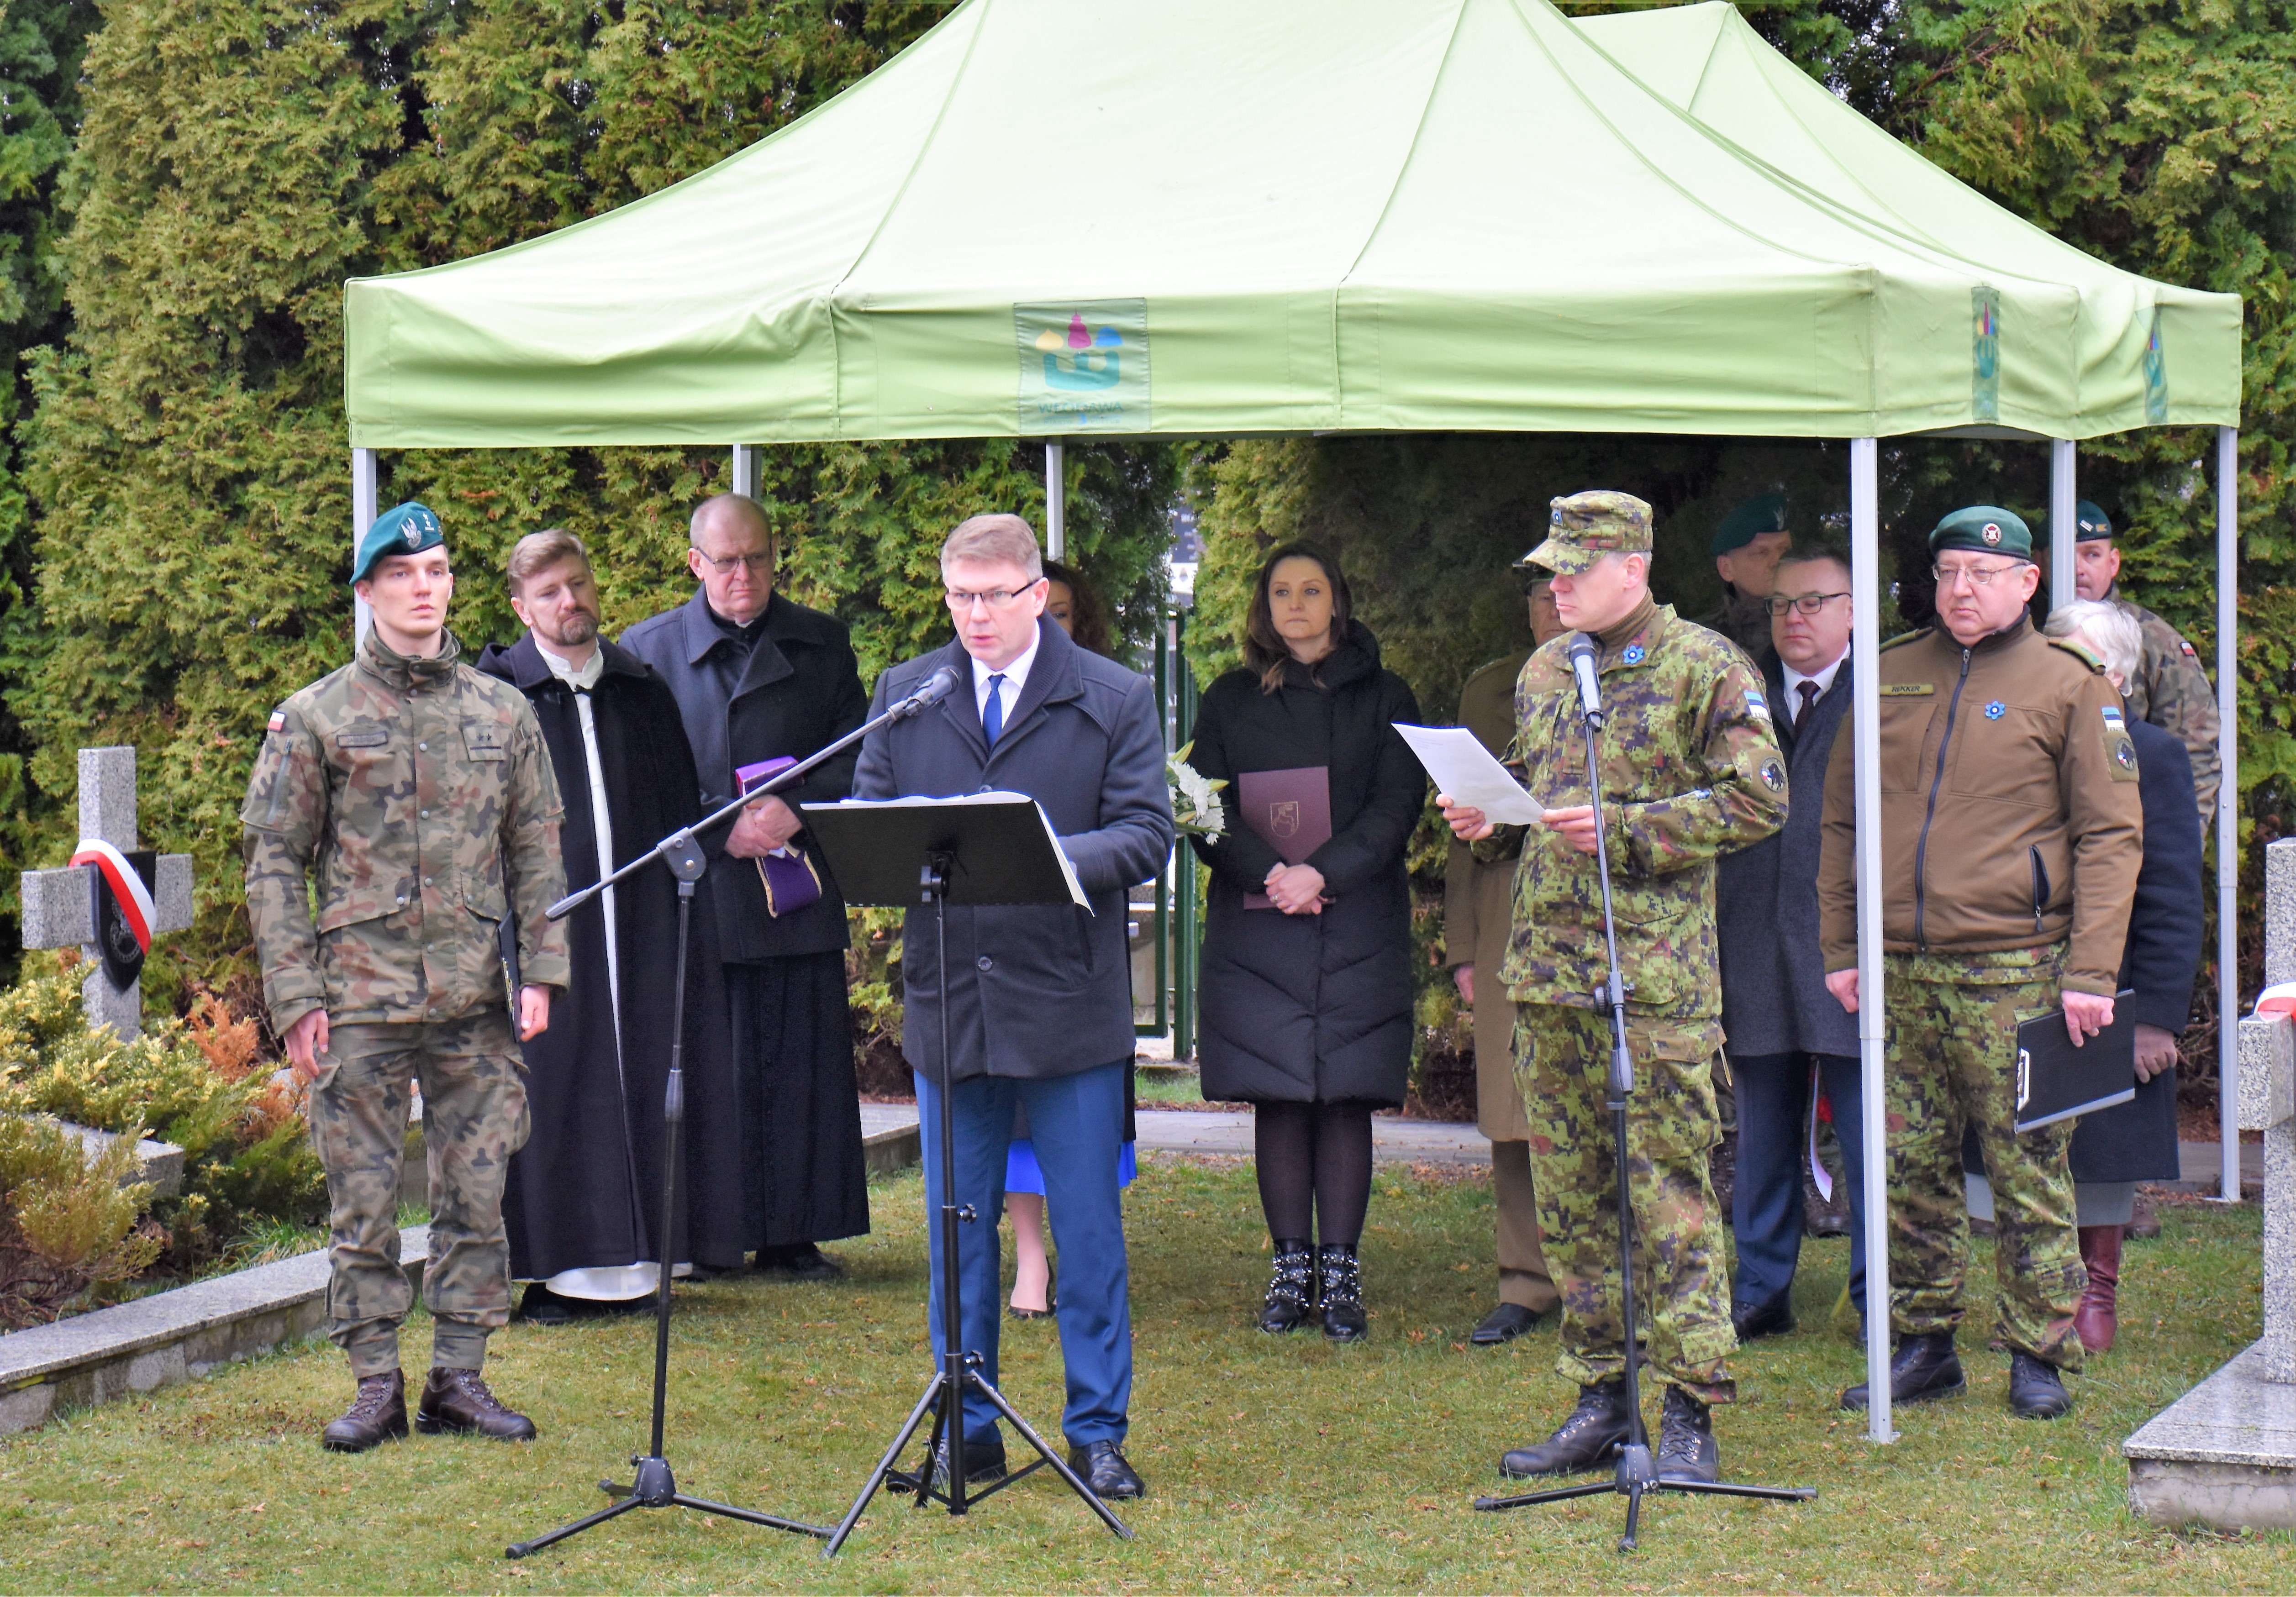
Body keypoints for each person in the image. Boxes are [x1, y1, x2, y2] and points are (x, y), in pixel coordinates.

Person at [1442, 490, 1787, 1487]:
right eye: (1551, 570)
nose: (1558, 586)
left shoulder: (1708, 665)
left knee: (1669, 1197)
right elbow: (1535, 785)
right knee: (1574, 1201)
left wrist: (1633, 830)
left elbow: (1763, 796)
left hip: (1655, 981)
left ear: (1633, 568)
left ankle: (1691, 1412)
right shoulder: (1551, 668)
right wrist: (1489, 816)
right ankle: (1601, 1397)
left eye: (1575, 569)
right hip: (1550, 977)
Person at [853, 512, 1171, 1500]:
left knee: (1086, 1229)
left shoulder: (1111, 694)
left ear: (1038, 594)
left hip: (1068, 1000)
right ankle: (970, 1424)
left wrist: (1046, 859)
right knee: (958, 1227)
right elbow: (870, 816)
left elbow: (1147, 832)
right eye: (959, 596)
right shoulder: (910, 693)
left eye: (994, 596)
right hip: (953, 1003)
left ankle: (1097, 1430)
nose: (976, 616)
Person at [241, 501, 569, 1452]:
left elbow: (539, 852)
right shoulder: (316, 716)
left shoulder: (502, 711)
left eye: (438, 571)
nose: (424, 589)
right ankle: (375, 1383)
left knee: (478, 1192)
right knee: (364, 1199)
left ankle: (460, 1379)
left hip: (473, 1000)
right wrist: (297, 999)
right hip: (359, 1004)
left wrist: (542, 969)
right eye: (403, 575)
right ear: (369, 591)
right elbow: (274, 863)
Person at [1818, 505, 2143, 1421]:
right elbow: (1843, 823)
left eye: (1984, 575)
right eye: (1950, 572)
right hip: (1899, 971)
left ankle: (2039, 1350)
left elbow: (2113, 834)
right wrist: (1844, 949)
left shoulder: (2070, 685)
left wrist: (2090, 972)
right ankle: (1924, 1344)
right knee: (1905, 1162)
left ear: (2029, 583)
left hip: (2019, 968)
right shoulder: (1887, 678)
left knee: (2029, 1165)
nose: (1963, 590)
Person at [477, 531, 748, 1322]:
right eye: (551, 592)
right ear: (522, 608)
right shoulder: (499, 696)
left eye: (579, 583)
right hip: (544, 926)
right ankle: (559, 1269)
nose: (571, 601)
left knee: (645, 1065)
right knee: (559, 1077)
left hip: (643, 923)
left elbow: (677, 809)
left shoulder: (639, 687)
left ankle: (651, 1256)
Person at [623, 493, 872, 1278]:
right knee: (707, 1062)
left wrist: (793, 811)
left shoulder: (823, 643)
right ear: (695, 563)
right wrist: (713, 826)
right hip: (697, 889)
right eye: (725, 561)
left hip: (790, 884)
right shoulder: (648, 649)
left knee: (799, 1059)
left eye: (757, 558)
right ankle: (705, 1234)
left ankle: (795, 1231)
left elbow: (859, 752)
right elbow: (636, 775)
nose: (743, 575)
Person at [1191, 542, 1425, 1344]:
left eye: (1311, 589)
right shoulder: (1226, 699)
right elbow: (1203, 807)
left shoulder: (1387, 696)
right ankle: (1291, 1268)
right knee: (1282, 1096)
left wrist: (1320, 873)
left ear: (1338, 601)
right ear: (1263, 606)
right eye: (1281, 591)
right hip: (1261, 923)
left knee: (1346, 1094)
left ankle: (1343, 1266)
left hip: (1354, 917)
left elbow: (1397, 808)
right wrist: (1273, 871)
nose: (1295, 603)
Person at [1716, 545, 1868, 1343]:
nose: (1794, 619)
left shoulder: (1881, 695)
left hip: (1845, 949)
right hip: (1752, 941)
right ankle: (1760, 1288)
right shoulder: (1738, 696)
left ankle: (1878, 1298)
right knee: (1762, 1135)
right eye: (1780, 605)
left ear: (1852, 609)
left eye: (1813, 602)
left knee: (1863, 1135)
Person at [2042, 599, 2203, 1352]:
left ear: (2118, 673)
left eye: (2082, 663)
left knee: (2103, 1143)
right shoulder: (2023, 745)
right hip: (2026, 976)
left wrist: (2155, 1017)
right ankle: (2038, 1297)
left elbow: (2172, 893)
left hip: (2120, 986)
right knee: (2031, 1144)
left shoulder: (2156, 756)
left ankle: (2095, 1294)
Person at [1002, 557, 1137, 1322]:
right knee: (1013, 1111)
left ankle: (1083, 1252)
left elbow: (1135, 824)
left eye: (1057, 610)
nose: (1042, 621)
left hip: (1079, 933)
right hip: (1000, 936)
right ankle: (1028, 1254)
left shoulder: (1113, 695)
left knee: (1077, 1111)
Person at [1444, 568, 1566, 1345]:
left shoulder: (1639, 680)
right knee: (1511, 1107)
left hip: (1600, 912)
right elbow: (1460, 828)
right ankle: (1524, 1280)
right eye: (1539, 596)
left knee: (1602, 1106)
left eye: (1567, 588)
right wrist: (1461, 943)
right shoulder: (1489, 689)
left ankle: (1610, 1279)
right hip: (1504, 911)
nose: (1553, 608)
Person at [2070, 499, 2220, 825]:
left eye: (2091, 555)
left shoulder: (2155, 642)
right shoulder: (2025, 637)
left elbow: (2194, 759)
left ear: (2114, 562)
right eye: (2063, 555)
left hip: (2132, 836)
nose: (2078, 569)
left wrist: (2175, 856)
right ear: (2039, 563)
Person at [1696, 491, 1793, 658]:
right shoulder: (1702, 639)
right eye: (1762, 553)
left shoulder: (1815, 624)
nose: (1777, 561)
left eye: (1784, 550)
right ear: (1727, 568)